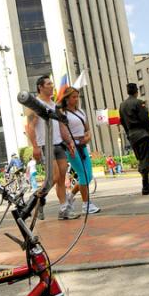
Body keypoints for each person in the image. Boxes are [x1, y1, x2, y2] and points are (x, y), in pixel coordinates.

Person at [25, 75, 79, 220]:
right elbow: (29, 126)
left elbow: (61, 125)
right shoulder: (36, 104)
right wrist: (35, 147)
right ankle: (37, 201)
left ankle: (64, 210)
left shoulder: (54, 105)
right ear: (40, 87)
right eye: (48, 84)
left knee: (61, 178)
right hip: (44, 145)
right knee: (53, 177)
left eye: (52, 83)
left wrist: (69, 142)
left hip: (59, 144)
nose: (52, 86)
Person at [59, 87, 100, 215]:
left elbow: (87, 128)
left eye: (77, 97)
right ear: (67, 98)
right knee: (83, 174)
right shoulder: (63, 113)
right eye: (73, 97)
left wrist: (88, 137)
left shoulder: (81, 111)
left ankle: (70, 197)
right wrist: (69, 144)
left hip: (83, 145)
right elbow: (62, 132)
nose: (76, 99)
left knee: (88, 175)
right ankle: (86, 205)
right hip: (71, 146)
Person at [119, 82, 149, 195]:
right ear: (137, 91)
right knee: (145, 159)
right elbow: (144, 118)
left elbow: (122, 122)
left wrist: (128, 133)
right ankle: (146, 186)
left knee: (141, 159)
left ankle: (145, 185)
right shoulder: (138, 102)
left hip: (131, 135)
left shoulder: (122, 105)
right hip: (142, 134)